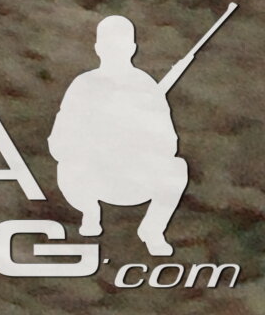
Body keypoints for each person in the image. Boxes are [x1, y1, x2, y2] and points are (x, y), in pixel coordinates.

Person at [51, 14, 198, 256]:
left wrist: (137, 135)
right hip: (93, 176)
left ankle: (153, 229)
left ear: (132, 48)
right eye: (109, 46)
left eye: (119, 46)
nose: (114, 52)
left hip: (133, 176)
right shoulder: (83, 85)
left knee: (176, 168)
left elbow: (168, 143)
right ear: (98, 48)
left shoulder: (146, 87)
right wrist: (92, 143)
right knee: (68, 166)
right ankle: (90, 212)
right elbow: (59, 141)